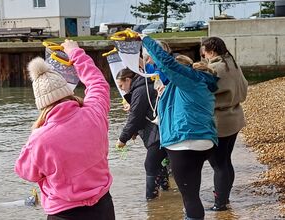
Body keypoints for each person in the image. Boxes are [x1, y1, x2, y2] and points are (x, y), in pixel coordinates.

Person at [14, 39, 115, 220]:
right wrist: (75, 52)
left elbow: (25, 171)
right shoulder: (94, 112)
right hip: (103, 207)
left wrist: (34, 135)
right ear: (68, 92)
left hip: (64, 212)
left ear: (42, 104)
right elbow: (98, 83)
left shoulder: (40, 139)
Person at [140, 34, 219, 220]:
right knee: (191, 192)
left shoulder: (188, 81)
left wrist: (146, 40)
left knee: (190, 197)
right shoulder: (199, 83)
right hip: (202, 142)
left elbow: (167, 65)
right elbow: (154, 69)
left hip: (185, 143)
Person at [201, 36, 248, 211]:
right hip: (235, 117)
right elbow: (245, 87)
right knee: (226, 161)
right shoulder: (232, 64)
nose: (204, 56)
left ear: (211, 52)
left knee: (218, 164)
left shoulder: (214, 68)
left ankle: (219, 204)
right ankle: (225, 198)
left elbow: (200, 90)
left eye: (204, 53)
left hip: (219, 121)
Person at [115, 68, 169, 200]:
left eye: (121, 85)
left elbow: (135, 117)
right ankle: (166, 190)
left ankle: (152, 199)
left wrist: (122, 139)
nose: (121, 89)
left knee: (150, 164)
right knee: (158, 162)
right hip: (161, 131)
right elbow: (143, 113)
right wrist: (134, 132)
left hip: (157, 133)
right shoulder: (143, 86)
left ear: (128, 80)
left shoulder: (139, 90)